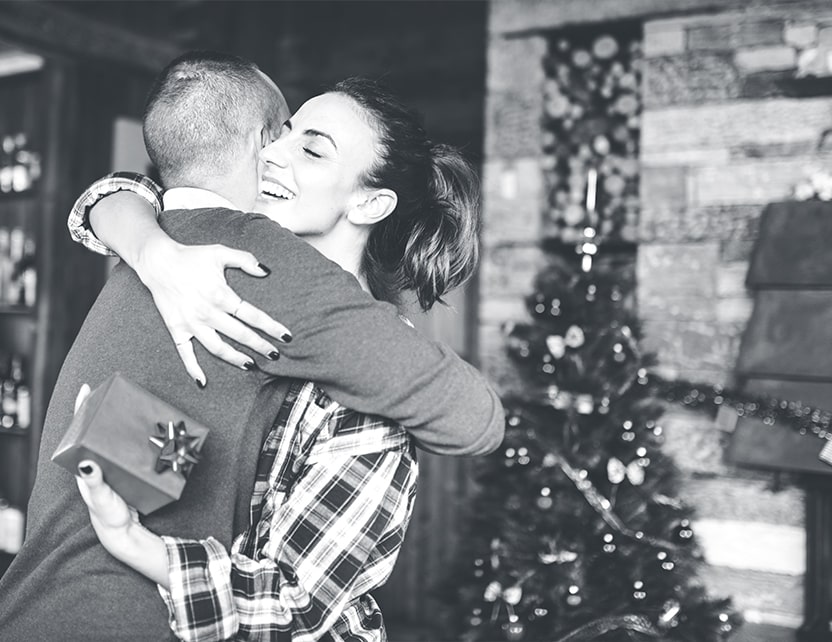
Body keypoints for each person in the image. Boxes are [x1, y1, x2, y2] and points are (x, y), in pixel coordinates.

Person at [0, 54, 501, 641]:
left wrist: (139, 546)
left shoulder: (365, 370)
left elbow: (299, 606)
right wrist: (153, 252)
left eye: (311, 150)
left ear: (369, 203)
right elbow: (134, 189)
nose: (272, 154)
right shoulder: (195, 245)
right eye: (280, 136)